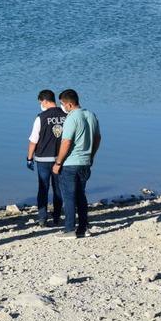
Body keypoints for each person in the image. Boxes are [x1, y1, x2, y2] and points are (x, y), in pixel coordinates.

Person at [52, 89, 101, 239]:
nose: (63, 107)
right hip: (85, 162)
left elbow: (66, 142)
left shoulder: (72, 117)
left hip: (70, 163)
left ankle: (69, 229)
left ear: (70, 104)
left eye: (63, 104)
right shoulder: (91, 115)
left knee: (69, 196)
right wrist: (91, 155)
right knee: (81, 196)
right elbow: (98, 138)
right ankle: (83, 228)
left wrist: (58, 162)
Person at [27, 89, 67, 227]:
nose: (40, 105)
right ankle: (56, 217)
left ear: (44, 101)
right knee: (58, 189)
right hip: (60, 159)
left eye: (40, 102)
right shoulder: (66, 115)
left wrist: (29, 158)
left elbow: (33, 140)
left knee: (43, 188)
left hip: (43, 159)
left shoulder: (41, 117)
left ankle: (42, 218)